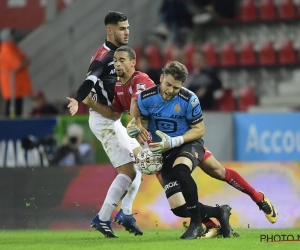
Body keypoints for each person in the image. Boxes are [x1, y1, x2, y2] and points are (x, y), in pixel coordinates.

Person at [82, 46, 232, 239]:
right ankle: (218, 214)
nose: (117, 64)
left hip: (169, 149)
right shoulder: (119, 87)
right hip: (154, 151)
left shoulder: (142, 83)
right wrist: (93, 104)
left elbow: (136, 104)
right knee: (177, 207)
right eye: (115, 61)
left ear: (132, 62)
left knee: (139, 169)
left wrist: (134, 124)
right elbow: (118, 113)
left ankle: (116, 214)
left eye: (121, 60)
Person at [127, 61, 278, 229]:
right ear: (161, 78)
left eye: (175, 87)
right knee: (179, 208)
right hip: (162, 152)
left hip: (186, 144)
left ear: (182, 85)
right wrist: (137, 130)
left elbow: (199, 130)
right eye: (168, 84)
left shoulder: (189, 99)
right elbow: (144, 125)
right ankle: (214, 221)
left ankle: (258, 197)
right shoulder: (146, 98)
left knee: (215, 172)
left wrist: (175, 141)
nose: (170, 90)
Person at [66, 11, 143, 238]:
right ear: (110, 30)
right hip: (103, 120)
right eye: (122, 28)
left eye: (128, 27)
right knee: (128, 170)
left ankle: (126, 212)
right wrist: (77, 99)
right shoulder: (104, 57)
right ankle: (102, 218)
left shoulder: (117, 55)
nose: (127, 31)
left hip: (114, 119)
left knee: (141, 162)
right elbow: (89, 80)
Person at [0, 28, 32, 117]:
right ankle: (10, 124)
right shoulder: (7, 49)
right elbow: (17, 64)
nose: (14, 37)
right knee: (12, 105)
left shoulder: (12, 48)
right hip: (12, 84)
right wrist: (23, 62)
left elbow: (25, 59)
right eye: (12, 35)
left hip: (16, 85)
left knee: (17, 104)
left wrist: (24, 62)